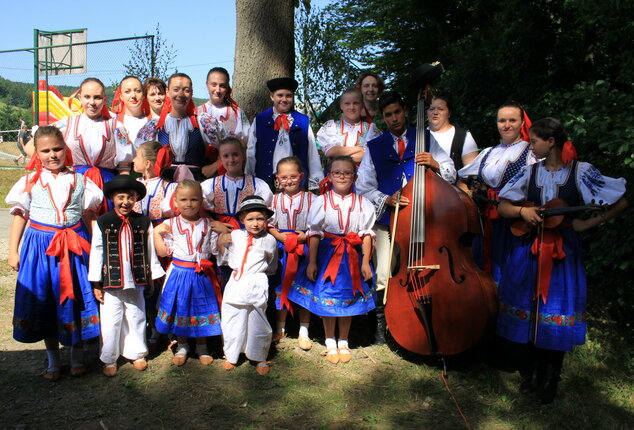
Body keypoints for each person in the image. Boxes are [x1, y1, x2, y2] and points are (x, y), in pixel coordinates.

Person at [496, 117, 627, 404]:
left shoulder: (581, 172)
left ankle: (551, 377)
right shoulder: (530, 174)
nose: (531, 146)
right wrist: (522, 213)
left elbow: (621, 198)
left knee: (554, 311)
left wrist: (587, 223)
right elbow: (503, 204)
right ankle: (532, 372)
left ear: (551, 141)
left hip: (562, 253)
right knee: (530, 310)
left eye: (534, 141)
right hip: (530, 248)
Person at [356, 91, 455, 343]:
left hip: (425, 218)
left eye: (397, 112)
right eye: (388, 115)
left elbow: (451, 171)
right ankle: (383, 326)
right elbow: (364, 187)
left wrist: (435, 163)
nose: (394, 118)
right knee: (384, 272)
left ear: (405, 111)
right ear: (383, 117)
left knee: (430, 267)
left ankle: (431, 319)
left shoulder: (425, 137)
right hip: (390, 219)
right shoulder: (374, 146)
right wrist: (386, 200)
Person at [6, 126, 103, 381]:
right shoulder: (30, 181)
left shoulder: (81, 181)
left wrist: (97, 250)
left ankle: (77, 355)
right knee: (46, 299)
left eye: (57, 149)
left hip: (74, 245)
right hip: (40, 249)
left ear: (65, 149)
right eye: (46, 151)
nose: (52, 155)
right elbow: (20, 216)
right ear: (37, 153)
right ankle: (52, 359)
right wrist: (12, 251)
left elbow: (90, 216)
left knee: (75, 300)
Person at [294, 156, 376, 364]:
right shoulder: (321, 201)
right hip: (326, 255)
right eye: (337, 172)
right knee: (327, 296)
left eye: (347, 172)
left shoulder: (363, 203)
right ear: (329, 176)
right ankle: (330, 340)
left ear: (355, 176)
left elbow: (366, 234)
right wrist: (312, 262)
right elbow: (314, 233)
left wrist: (365, 262)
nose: (342, 176)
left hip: (351, 257)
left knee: (346, 297)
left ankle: (344, 341)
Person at [89, 175, 165, 376]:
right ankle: (109, 357)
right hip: (111, 280)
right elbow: (97, 250)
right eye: (121, 197)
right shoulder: (103, 222)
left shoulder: (143, 221)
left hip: (136, 277)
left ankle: (137, 352)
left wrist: (150, 277)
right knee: (111, 319)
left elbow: (150, 250)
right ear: (113, 198)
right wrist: (96, 281)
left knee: (136, 315)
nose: (126, 202)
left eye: (131, 197)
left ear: (136, 199)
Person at [25, 78, 134, 214]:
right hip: (74, 183)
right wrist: (57, 170)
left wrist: (123, 191)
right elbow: (31, 145)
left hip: (107, 184)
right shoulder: (66, 124)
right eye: (87, 97)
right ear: (79, 98)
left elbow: (124, 165)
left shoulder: (116, 126)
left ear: (104, 99)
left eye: (97, 97)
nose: (92, 102)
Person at [458, 101, 538, 283]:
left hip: (515, 220)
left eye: (512, 120)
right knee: (485, 268)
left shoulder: (530, 152)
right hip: (487, 219)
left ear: (522, 123)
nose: (507, 125)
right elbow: (463, 178)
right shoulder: (488, 153)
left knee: (512, 269)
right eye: (502, 120)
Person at [153, 180, 223, 366]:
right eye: (183, 199)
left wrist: (224, 233)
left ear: (201, 201)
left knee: (201, 308)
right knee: (181, 307)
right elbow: (162, 252)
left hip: (201, 275)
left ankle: (202, 346)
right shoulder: (170, 224)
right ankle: (182, 345)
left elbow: (216, 250)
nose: (189, 203)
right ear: (175, 202)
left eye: (194, 199)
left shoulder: (209, 224)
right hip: (179, 274)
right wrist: (155, 233)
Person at [215, 195, 278, 375]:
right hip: (236, 281)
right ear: (242, 219)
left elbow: (271, 262)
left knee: (257, 318)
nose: (255, 223)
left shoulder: (269, 240)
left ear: (266, 220)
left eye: (260, 219)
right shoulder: (235, 235)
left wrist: (263, 274)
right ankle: (232, 354)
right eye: (250, 219)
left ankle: (259, 355)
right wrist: (221, 245)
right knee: (233, 318)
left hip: (257, 280)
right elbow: (226, 255)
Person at [132, 140, 177, 348]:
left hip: (161, 239)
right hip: (139, 238)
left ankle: (167, 326)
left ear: (148, 163)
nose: (133, 160)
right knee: (146, 282)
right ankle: (151, 324)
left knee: (163, 284)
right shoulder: (135, 186)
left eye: (137, 157)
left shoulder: (169, 187)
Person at [267, 157, 316, 350]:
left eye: (293, 176)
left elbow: (319, 225)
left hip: (303, 248)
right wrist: (281, 237)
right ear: (278, 178)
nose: (289, 181)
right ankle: (280, 327)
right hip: (282, 249)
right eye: (284, 177)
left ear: (301, 176)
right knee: (280, 287)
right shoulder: (274, 199)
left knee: (304, 287)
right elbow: (268, 224)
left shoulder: (313, 199)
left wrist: (306, 236)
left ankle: (304, 331)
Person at [135, 73, 220, 182]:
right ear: (167, 92)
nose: (180, 94)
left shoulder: (203, 121)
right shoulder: (155, 125)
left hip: (196, 184)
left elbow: (235, 144)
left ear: (191, 93)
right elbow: (141, 154)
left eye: (186, 90)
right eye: (176, 89)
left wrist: (214, 166)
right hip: (164, 183)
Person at [245, 77, 323, 191]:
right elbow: (251, 151)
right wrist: (248, 177)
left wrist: (315, 180)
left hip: (295, 181)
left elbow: (311, 152)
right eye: (280, 95)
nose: (284, 99)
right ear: (272, 96)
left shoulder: (302, 121)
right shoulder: (260, 120)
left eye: (288, 95)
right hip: (266, 180)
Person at [202, 137, 273, 232]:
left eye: (235, 154)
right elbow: (199, 208)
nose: (231, 159)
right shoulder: (211, 185)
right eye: (226, 156)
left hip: (249, 230)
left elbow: (266, 211)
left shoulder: (257, 184)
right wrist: (214, 223)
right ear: (220, 159)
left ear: (243, 155)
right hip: (218, 230)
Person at [316, 88, 380, 165]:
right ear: (341, 106)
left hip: (364, 175)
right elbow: (331, 152)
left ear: (362, 105)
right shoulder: (331, 127)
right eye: (347, 103)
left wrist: (339, 156)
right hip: (336, 176)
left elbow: (372, 155)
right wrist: (359, 149)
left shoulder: (371, 129)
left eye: (356, 103)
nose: (352, 107)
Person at [427, 93, 479, 172]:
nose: (435, 112)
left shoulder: (462, 136)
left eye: (440, 109)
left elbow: (472, 172)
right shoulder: (416, 136)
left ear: (449, 113)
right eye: (431, 109)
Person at [197, 67, 250, 143]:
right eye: (214, 85)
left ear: (227, 87)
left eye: (222, 86)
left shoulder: (236, 113)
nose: (218, 90)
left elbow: (246, 141)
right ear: (207, 85)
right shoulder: (197, 112)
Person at [112, 76, 150, 145]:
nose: (133, 95)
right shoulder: (114, 122)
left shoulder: (152, 121)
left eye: (138, 91)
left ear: (143, 94)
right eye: (127, 92)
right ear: (121, 96)